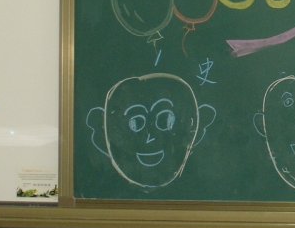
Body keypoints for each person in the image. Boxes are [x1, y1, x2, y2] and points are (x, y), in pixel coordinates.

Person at [86, 73, 216, 189]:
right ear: (102, 132)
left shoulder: (203, 185)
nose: (149, 137)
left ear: (195, 130)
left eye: (165, 121)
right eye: (135, 123)